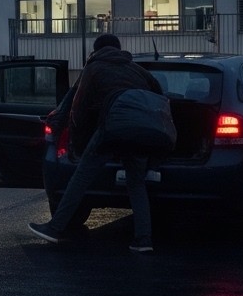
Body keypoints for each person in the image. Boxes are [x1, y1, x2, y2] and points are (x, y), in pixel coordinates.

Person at [29, 33, 163, 253]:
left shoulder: (92, 69)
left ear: (95, 50)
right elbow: (160, 98)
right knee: (136, 184)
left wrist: (79, 141)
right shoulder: (139, 71)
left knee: (80, 178)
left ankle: (55, 228)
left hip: (110, 131)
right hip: (140, 131)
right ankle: (143, 240)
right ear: (119, 49)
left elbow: (76, 107)